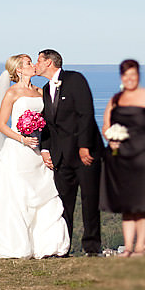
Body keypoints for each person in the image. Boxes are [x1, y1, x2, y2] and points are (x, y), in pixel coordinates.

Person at [0, 54, 70, 259]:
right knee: (17, 197)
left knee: (44, 196)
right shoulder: (11, 93)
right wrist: (22, 139)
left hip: (38, 152)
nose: (33, 65)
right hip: (19, 150)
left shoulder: (40, 91)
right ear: (19, 69)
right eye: (28, 63)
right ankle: (15, 244)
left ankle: (46, 245)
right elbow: (1, 125)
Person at [36, 49, 104, 257]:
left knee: (90, 200)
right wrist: (45, 148)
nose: (36, 65)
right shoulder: (46, 88)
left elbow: (86, 114)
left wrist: (84, 146)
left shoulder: (75, 80)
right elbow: (48, 124)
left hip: (85, 153)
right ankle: (63, 247)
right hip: (61, 156)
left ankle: (91, 247)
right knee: (64, 204)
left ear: (49, 62)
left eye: (38, 60)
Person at [100, 60, 145, 257]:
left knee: (143, 202)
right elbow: (106, 125)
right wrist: (110, 137)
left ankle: (140, 247)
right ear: (121, 77)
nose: (129, 79)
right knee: (126, 203)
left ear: (138, 76)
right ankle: (128, 247)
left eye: (133, 75)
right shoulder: (116, 99)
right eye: (126, 76)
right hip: (122, 157)